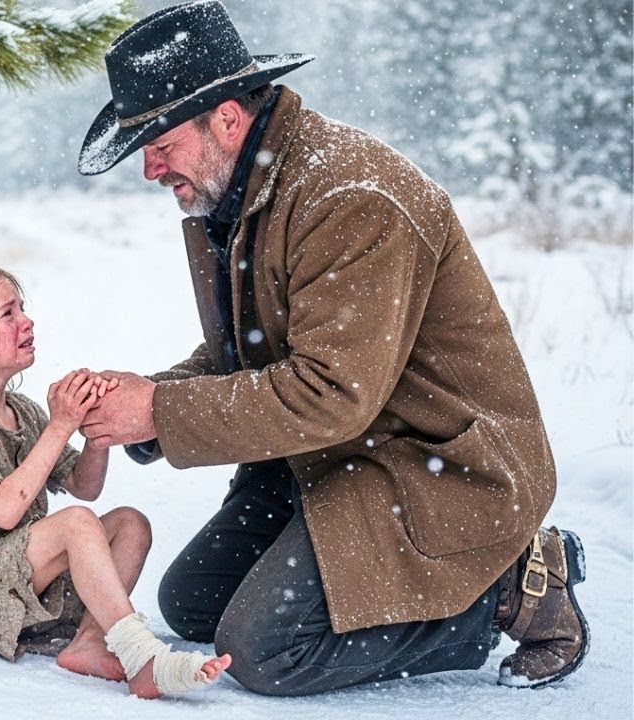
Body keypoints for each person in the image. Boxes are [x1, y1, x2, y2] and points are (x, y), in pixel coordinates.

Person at [75, 0, 587, 694]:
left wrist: (159, 411)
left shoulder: (352, 197)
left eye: (159, 148)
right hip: (338, 455)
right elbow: (251, 353)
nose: (150, 171)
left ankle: (511, 587)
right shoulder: (230, 193)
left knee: (266, 651)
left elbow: (331, 391)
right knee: (194, 604)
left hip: (437, 464)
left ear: (226, 115)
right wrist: (139, 400)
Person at [0, 263, 230, 699]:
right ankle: (141, 656)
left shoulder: (24, 411)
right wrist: (60, 425)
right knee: (74, 523)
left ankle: (91, 642)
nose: (26, 321)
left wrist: (94, 428)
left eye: (23, 309)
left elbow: (83, 485)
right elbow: (4, 509)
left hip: (6, 574)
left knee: (130, 522)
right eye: (7, 314)